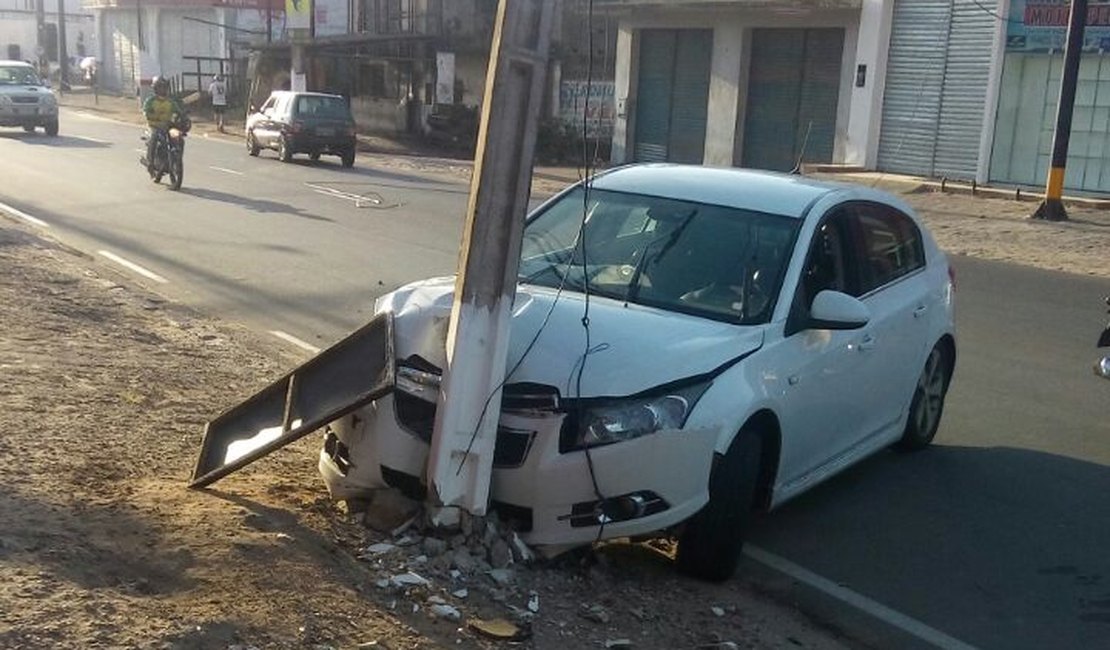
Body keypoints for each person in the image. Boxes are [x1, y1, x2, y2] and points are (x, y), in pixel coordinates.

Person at [142, 76, 186, 174]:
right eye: (160, 87)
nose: (162, 90)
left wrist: (183, 118)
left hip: (168, 127)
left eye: (164, 87)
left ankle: (176, 161)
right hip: (154, 126)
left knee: (179, 138)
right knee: (154, 136)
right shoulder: (150, 100)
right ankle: (150, 163)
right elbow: (145, 111)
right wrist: (150, 115)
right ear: (155, 89)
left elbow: (179, 112)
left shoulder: (170, 102)